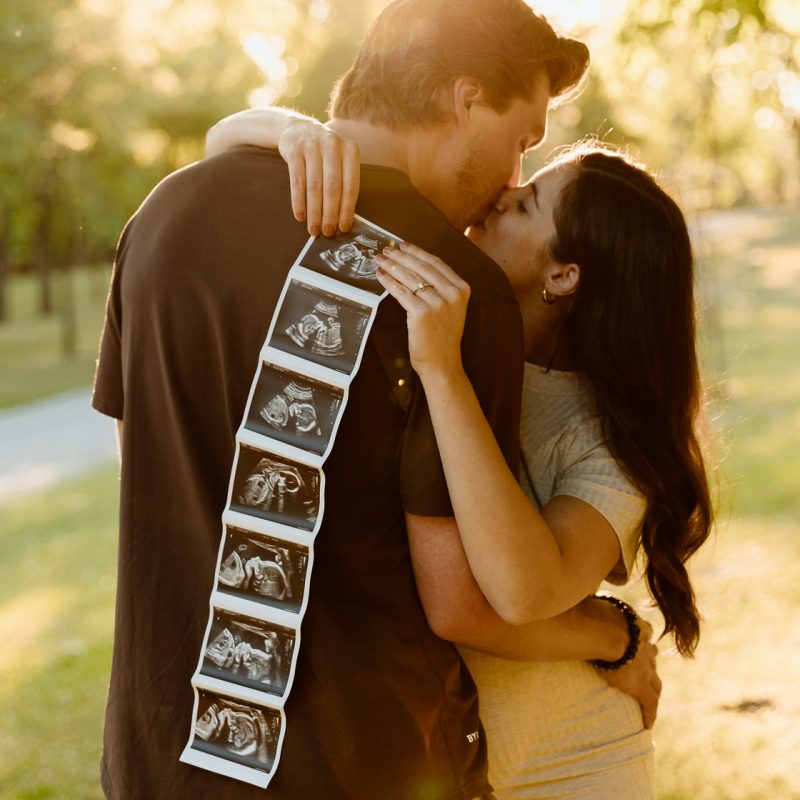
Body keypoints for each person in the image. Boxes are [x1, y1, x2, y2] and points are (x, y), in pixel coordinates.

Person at [90, 2, 654, 798]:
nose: (514, 176)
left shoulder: (163, 214)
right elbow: (456, 595)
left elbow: (140, 463)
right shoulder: (456, 291)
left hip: (158, 757)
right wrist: (614, 632)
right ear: (465, 100)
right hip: (367, 764)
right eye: (522, 138)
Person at [207, 107, 713, 796]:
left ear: (564, 276)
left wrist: (443, 373)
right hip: (450, 768)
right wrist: (299, 134)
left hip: (572, 768)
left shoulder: (609, 437)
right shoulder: (448, 311)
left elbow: (519, 589)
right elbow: (221, 141)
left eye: (529, 202)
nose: (504, 191)